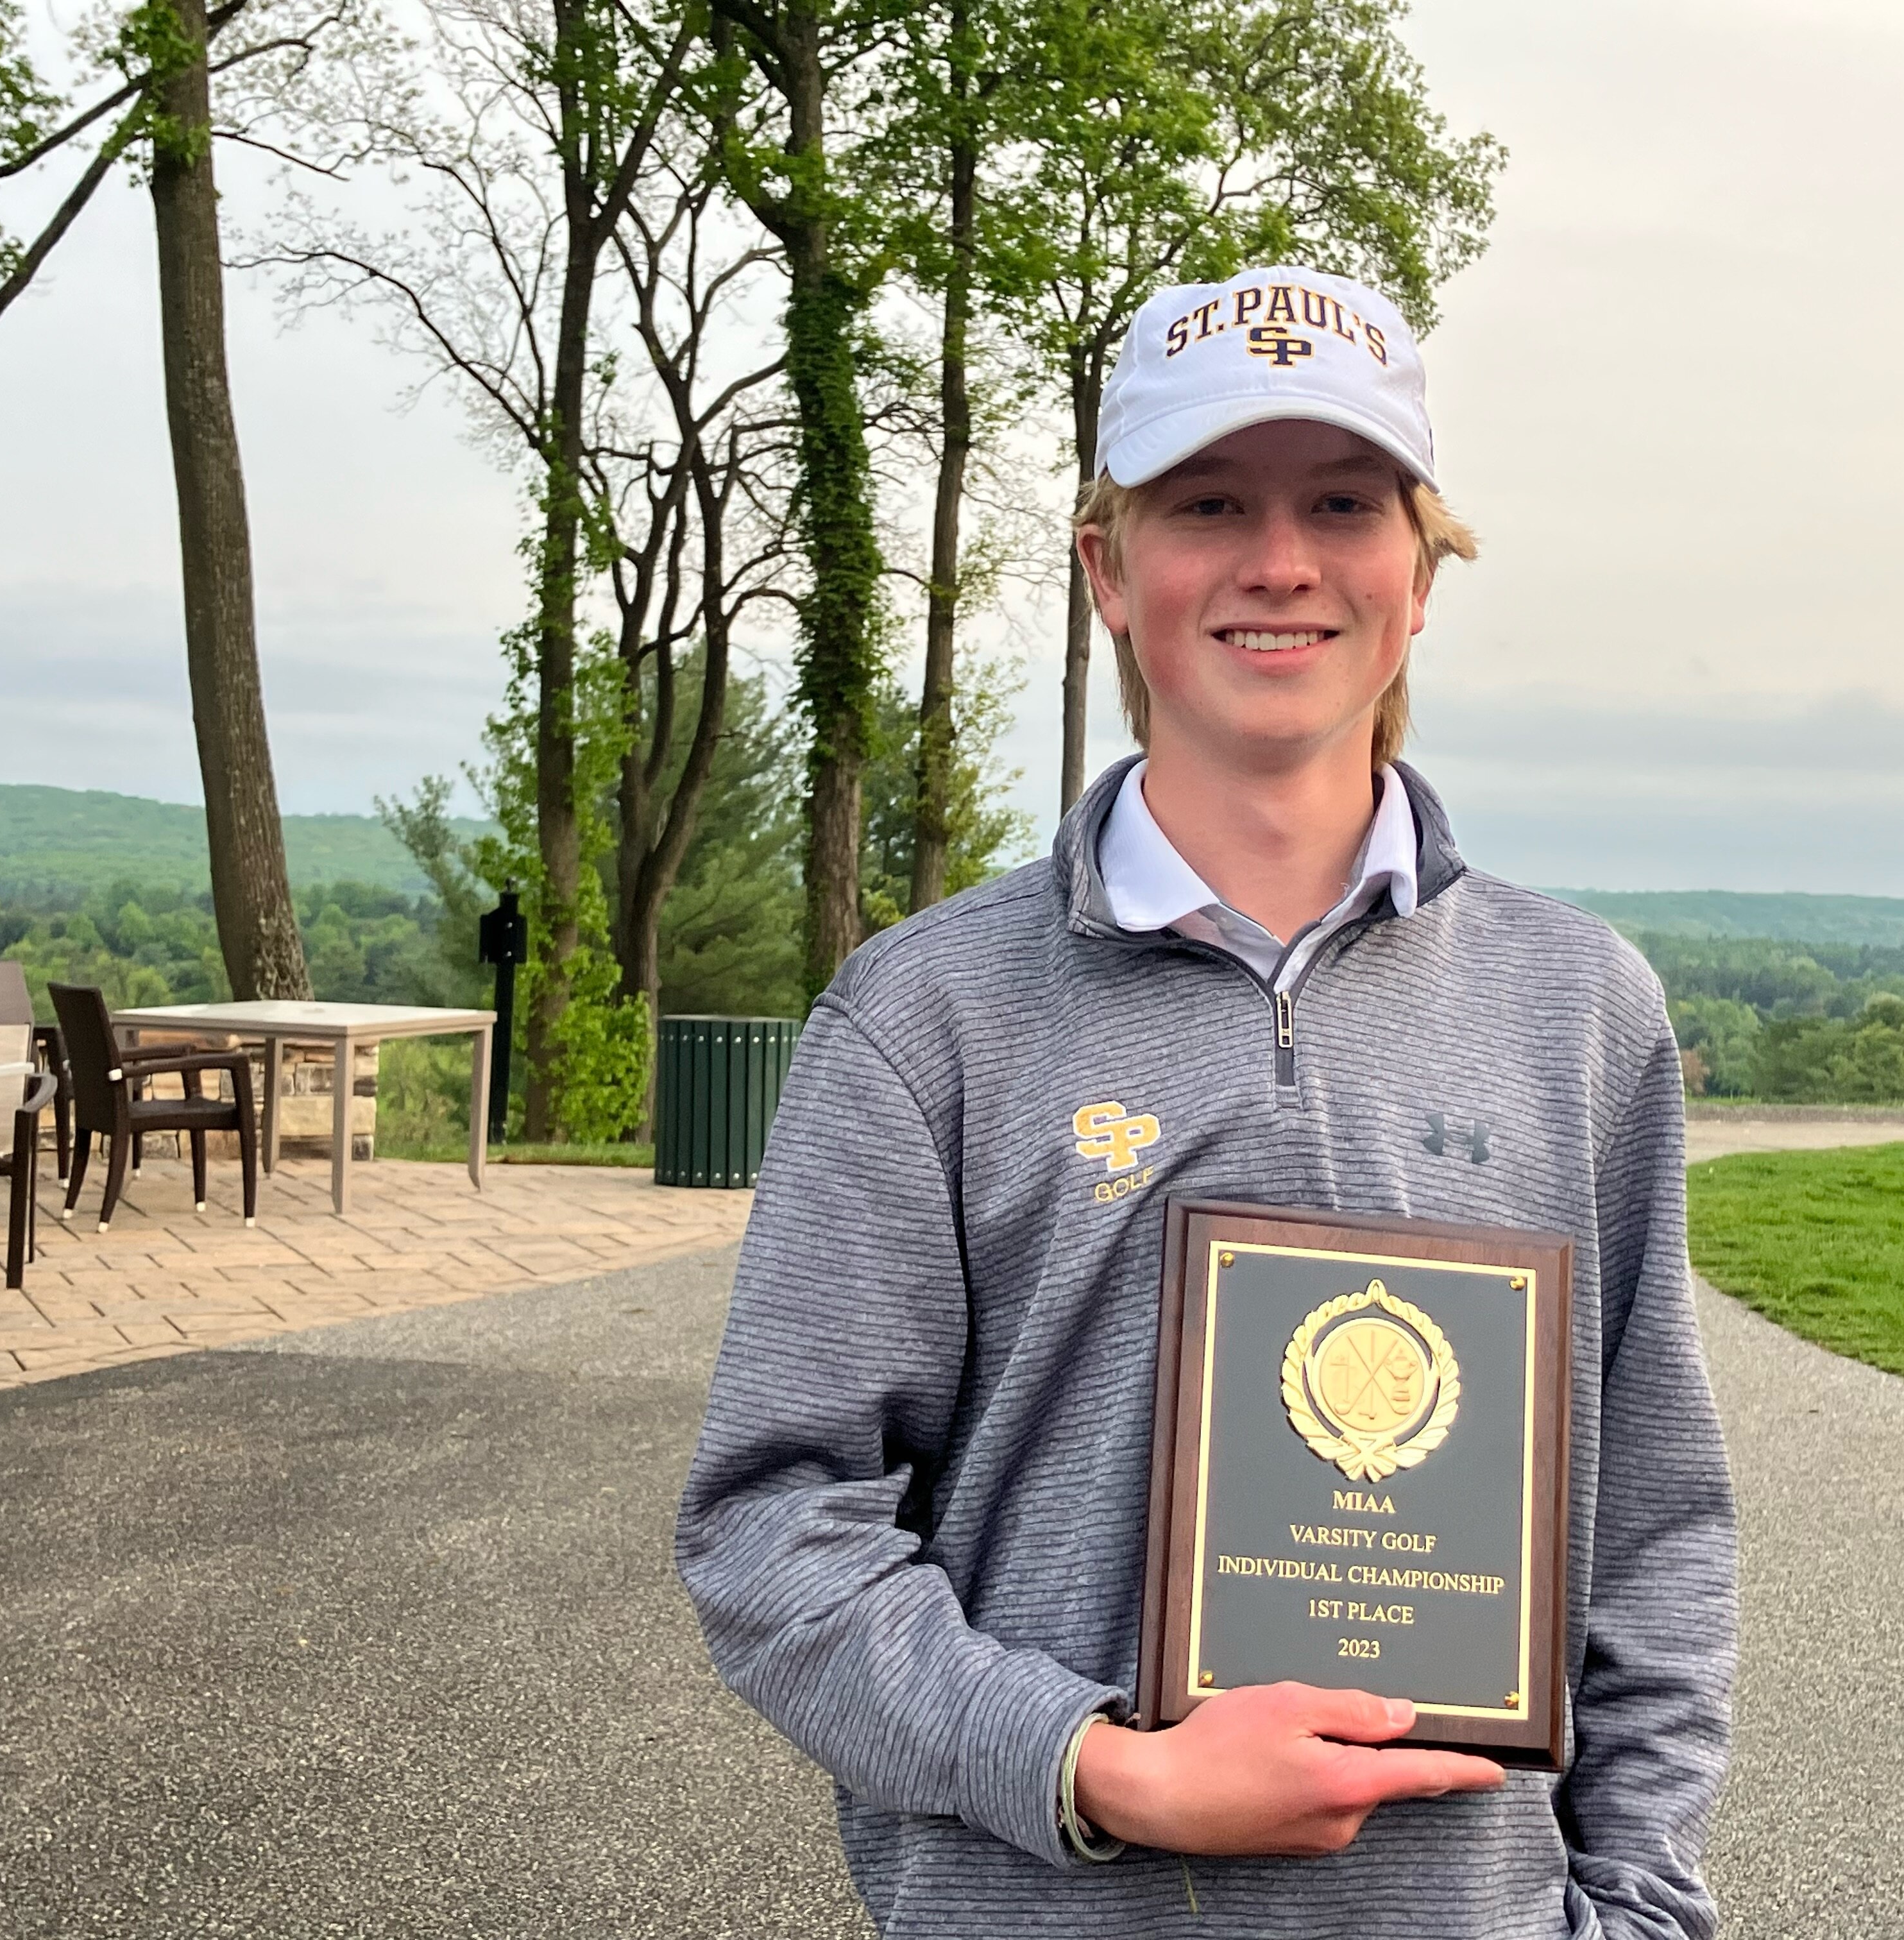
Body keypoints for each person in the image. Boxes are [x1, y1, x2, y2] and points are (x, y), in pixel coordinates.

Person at [675, 263, 1737, 1940]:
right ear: (1109, 566)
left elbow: (1657, 1529)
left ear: (1420, 572)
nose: (1281, 561)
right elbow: (774, 1530)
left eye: (1344, 502)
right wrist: (1102, 1769)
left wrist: (1640, 1909)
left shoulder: (1580, 1008)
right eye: (1210, 502)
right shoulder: (925, 1017)